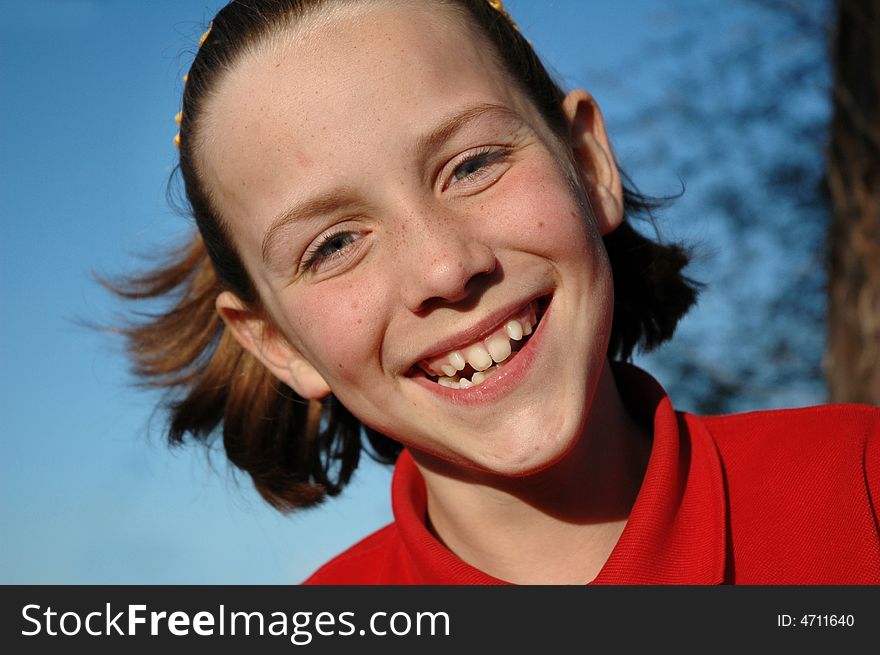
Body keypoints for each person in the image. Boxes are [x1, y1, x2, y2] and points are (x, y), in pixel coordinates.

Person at [114, 0, 880, 584]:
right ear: (277, 344)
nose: (445, 268)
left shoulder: (860, 485)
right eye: (335, 244)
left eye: (472, 164)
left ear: (588, 164)